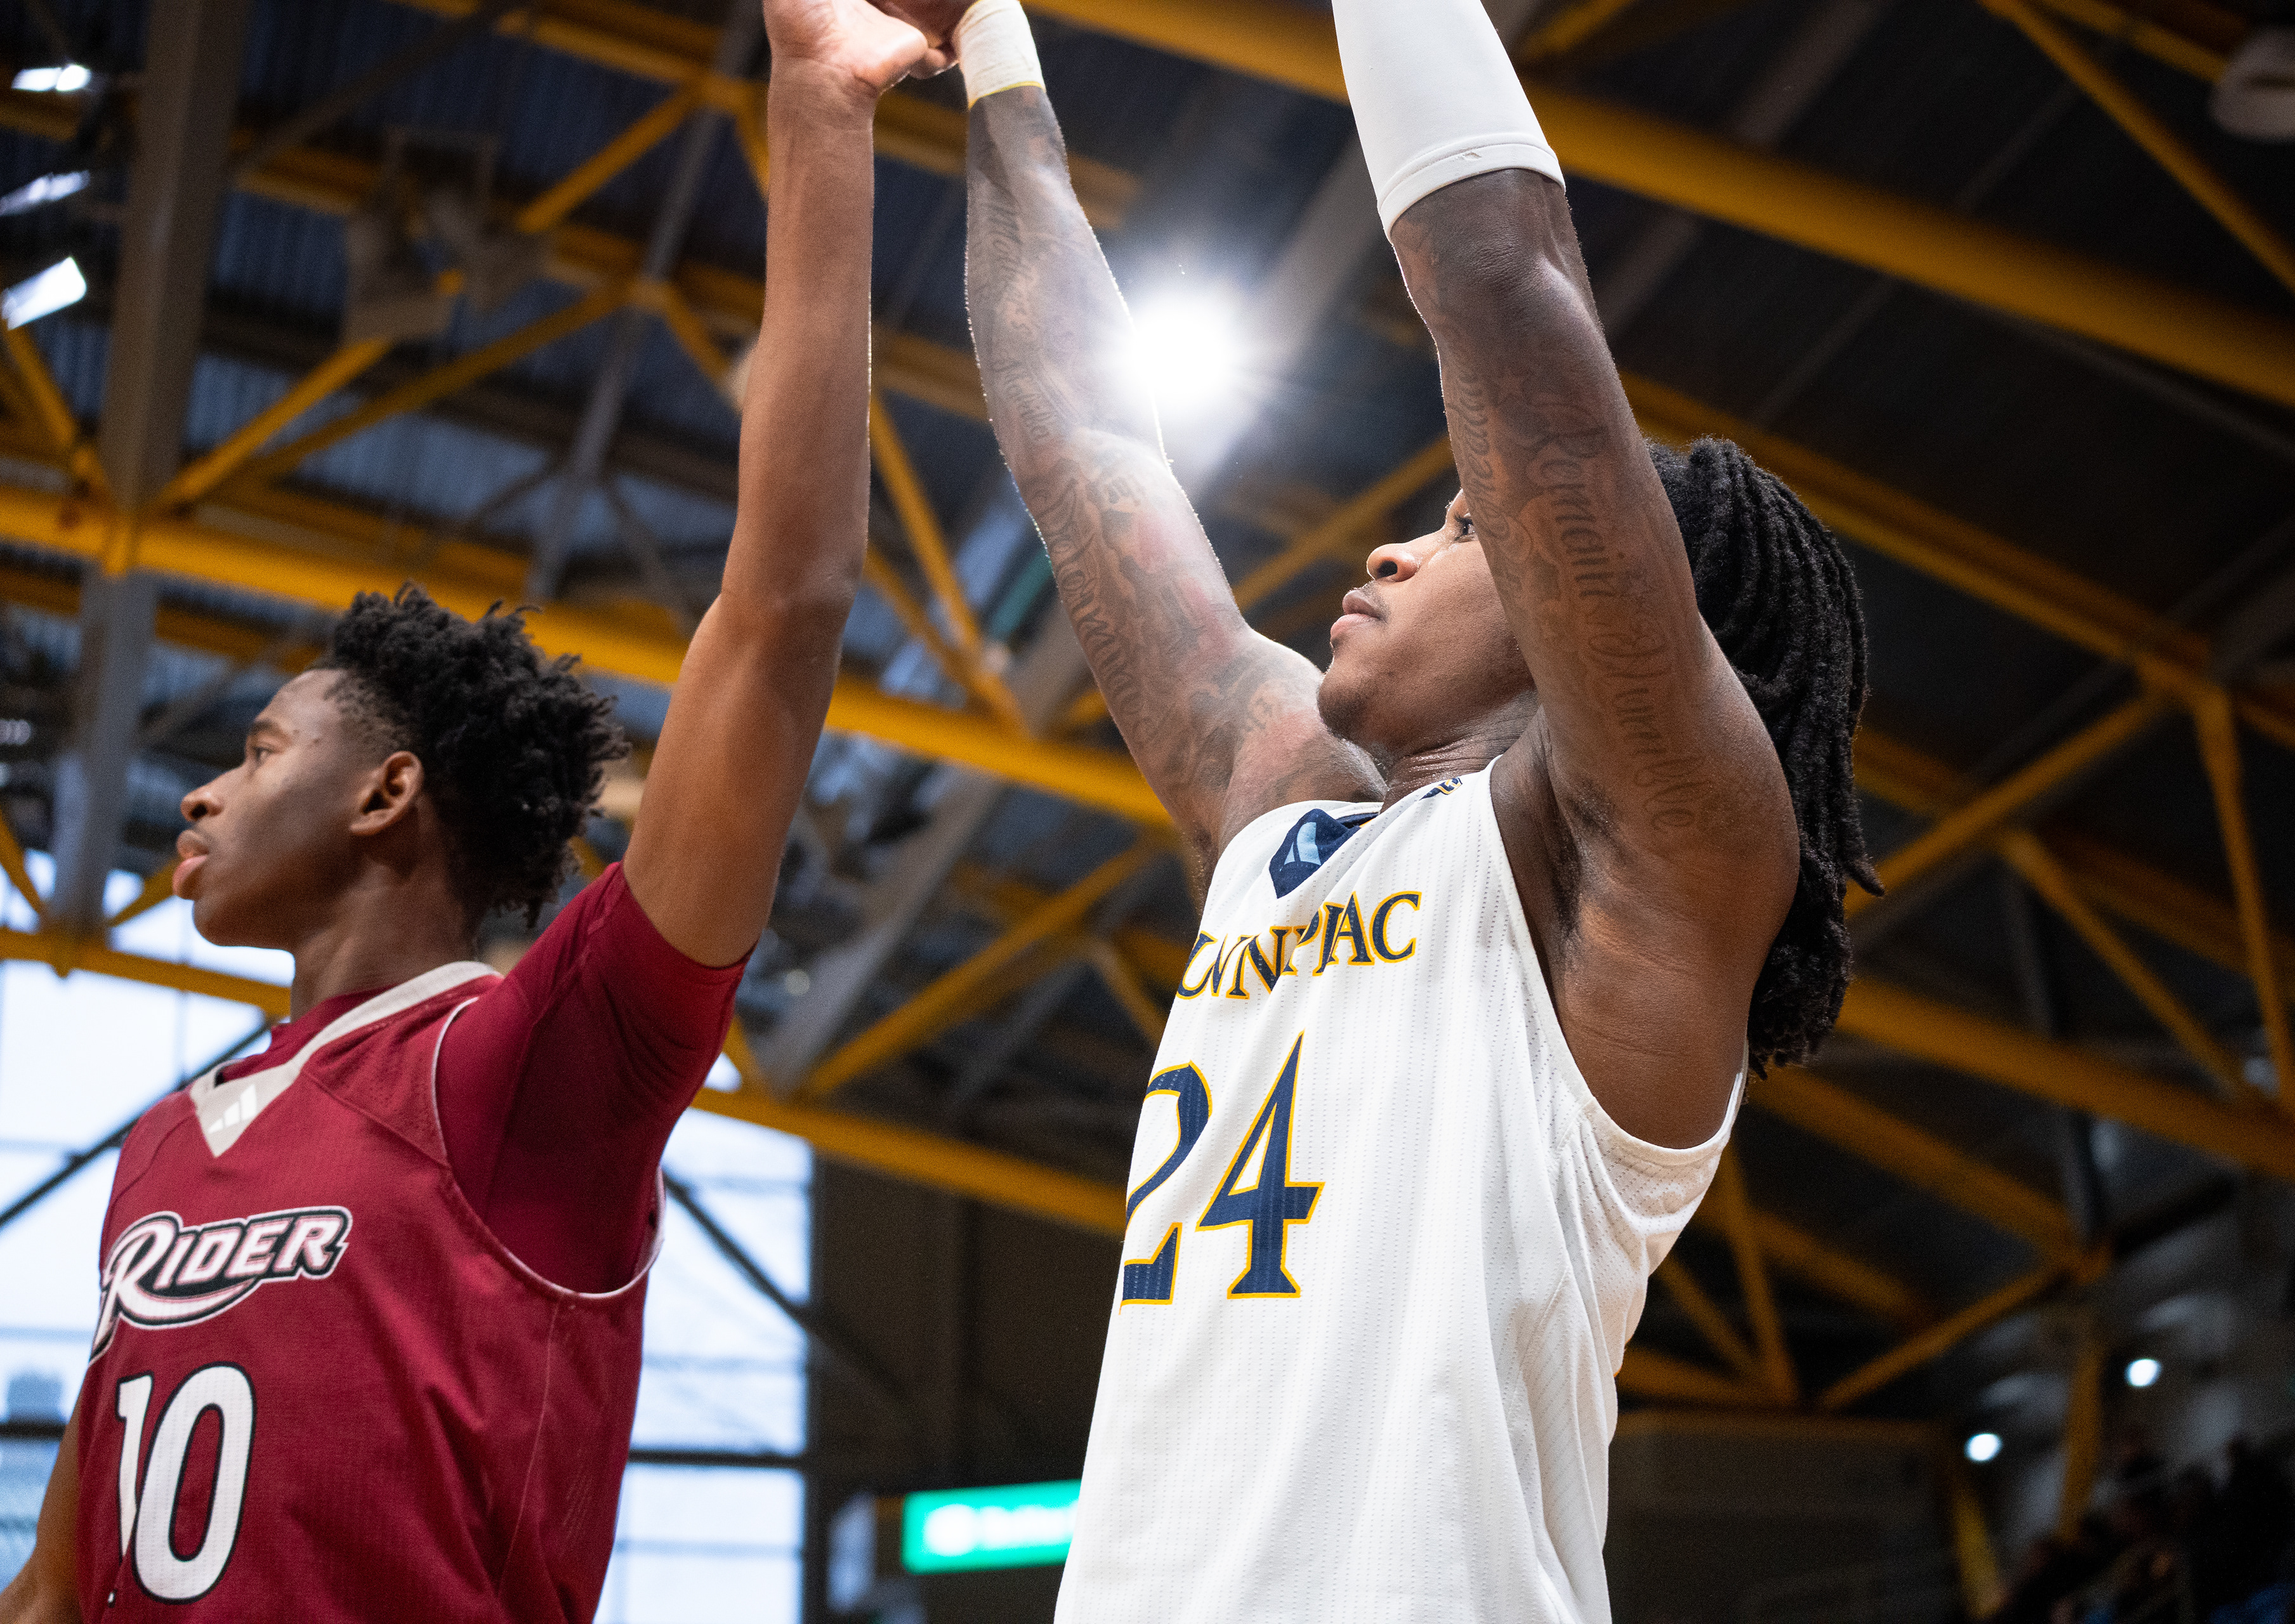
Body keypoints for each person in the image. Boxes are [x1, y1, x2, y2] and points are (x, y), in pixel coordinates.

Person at [0, 1, 940, 1616]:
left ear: (387, 792)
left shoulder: (523, 1069)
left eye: (261, 747)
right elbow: (52, 1584)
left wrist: (818, 99)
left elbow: (783, 613)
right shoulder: (164, 1143)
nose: (202, 786)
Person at [933, 0, 1872, 1613]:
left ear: (1607, 602)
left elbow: (1504, 287)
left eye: (1463, 527)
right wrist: (988, 48)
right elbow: (1082, 440)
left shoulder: (1658, 859)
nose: (1390, 550)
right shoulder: (1286, 817)